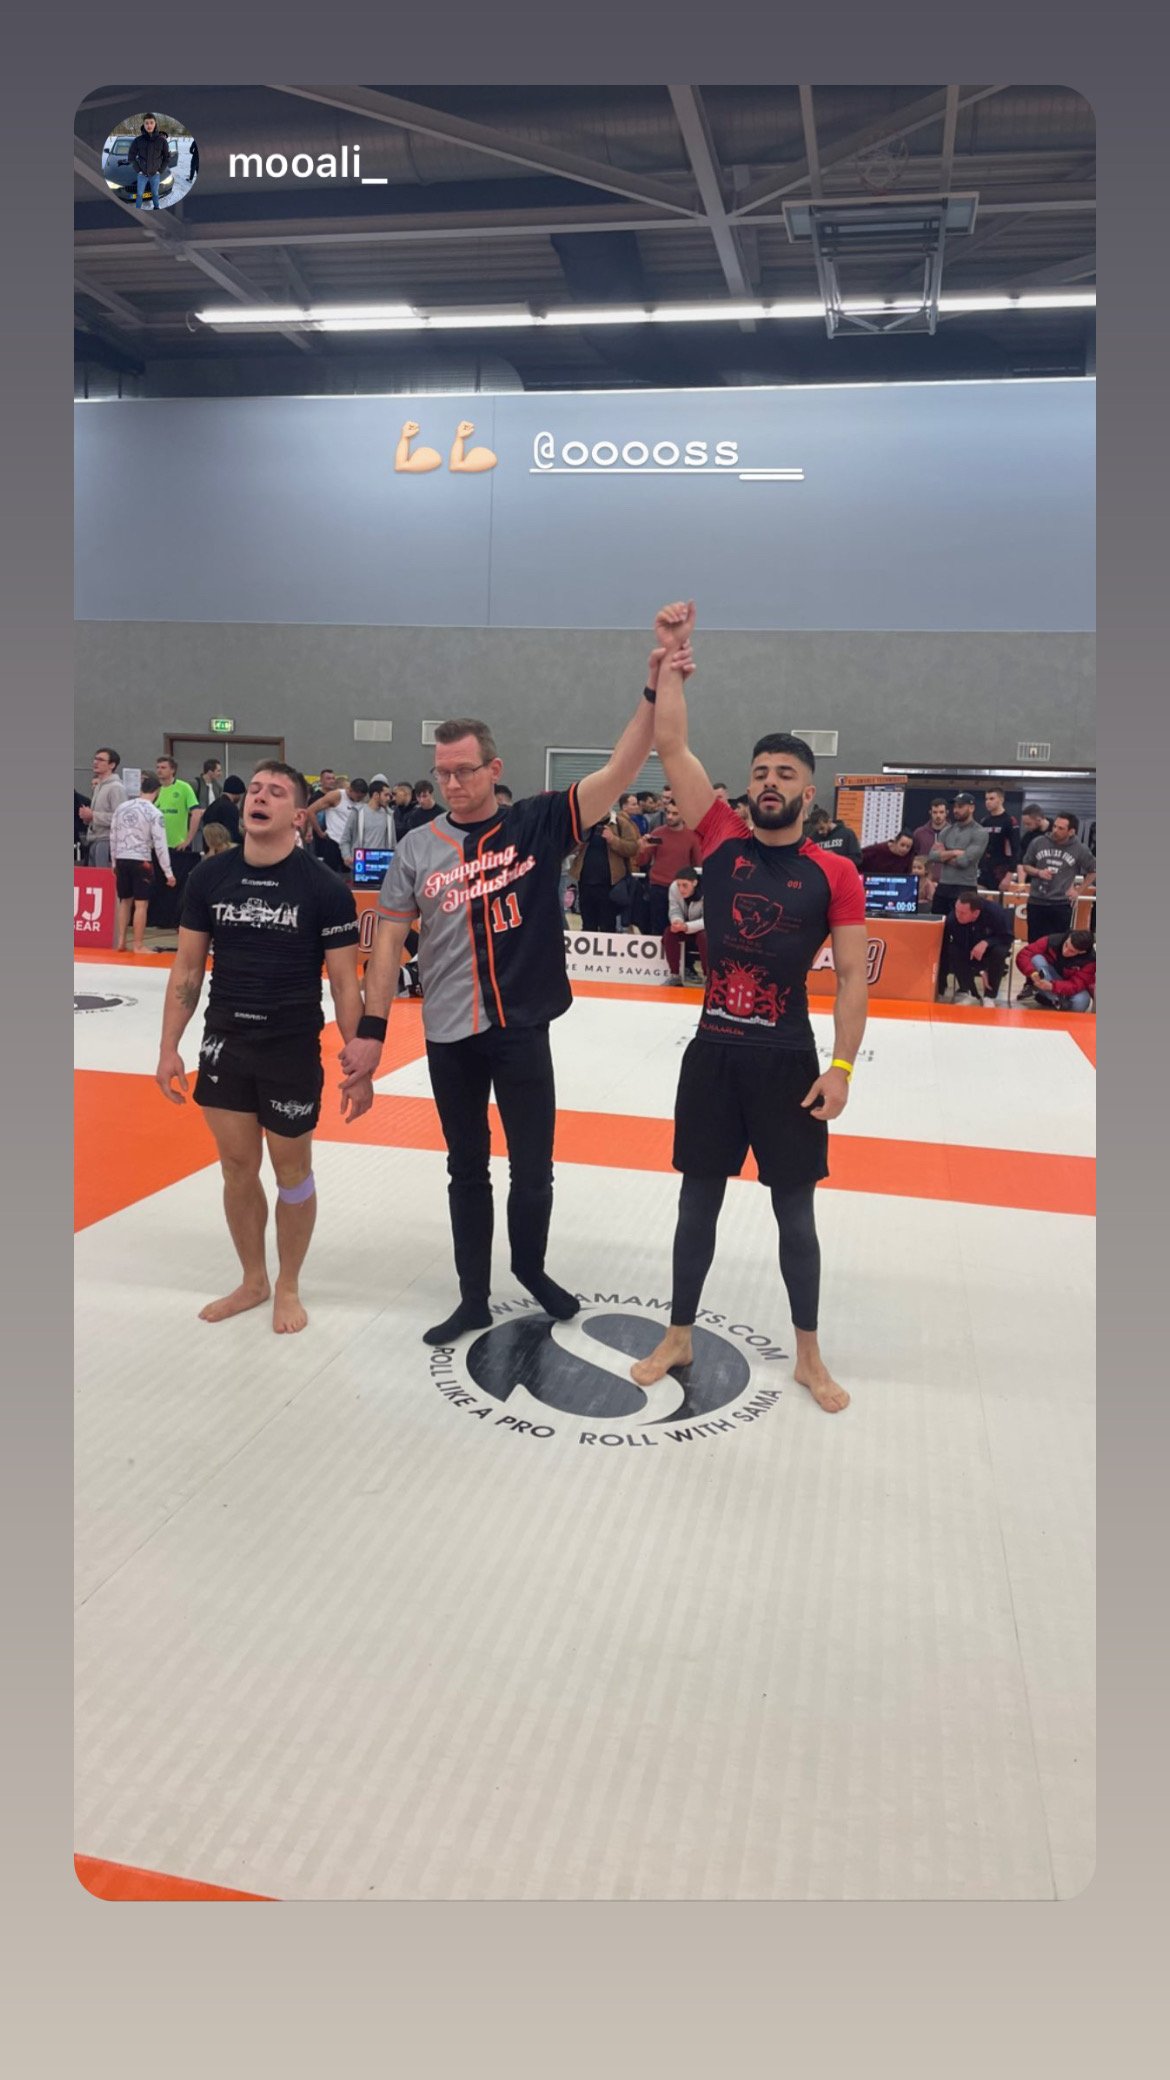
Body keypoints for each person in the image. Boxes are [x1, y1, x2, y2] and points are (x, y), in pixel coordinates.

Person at [338, 611, 685, 1347]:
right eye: (442, 772)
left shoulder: (538, 823)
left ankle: (530, 1266)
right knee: (466, 1167)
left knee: (534, 1168)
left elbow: (623, 768)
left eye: (464, 770)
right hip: (448, 1033)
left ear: (493, 769)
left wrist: (653, 685)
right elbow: (388, 943)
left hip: (521, 1025)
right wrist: (371, 1032)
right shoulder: (416, 848)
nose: (451, 783)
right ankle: (472, 1296)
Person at [628, 603, 868, 1415]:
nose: (770, 782)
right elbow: (671, 745)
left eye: (786, 774)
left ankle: (809, 1354)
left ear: (809, 790)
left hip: (788, 1063)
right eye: (761, 771)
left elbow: (854, 980)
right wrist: (669, 661)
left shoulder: (835, 873)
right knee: (696, 1202)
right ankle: (679, 1332)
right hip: (714, 1056)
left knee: (794, 1214)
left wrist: (841, 1067)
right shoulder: (723, 837)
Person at [155, 761, 369, 1333]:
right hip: (225, 1043)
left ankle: (288, 1284)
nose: (259, 797)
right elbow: (187, 968)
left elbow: (344, 982)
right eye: (254, 789)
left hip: (290, 1047)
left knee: (292, 1171)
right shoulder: (210, 877)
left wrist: (360, 1060)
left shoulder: (324, 888)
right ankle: (253, 1280)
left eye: (275, 792)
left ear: (298, 815)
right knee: (236, 1167)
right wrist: (169, 1046)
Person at [110, 771, 175, 954]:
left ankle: (121, 941)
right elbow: (160, 844)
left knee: (124, 901)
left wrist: (114, 861)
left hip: (122, 858)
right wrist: (168, 872)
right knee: (141, 904)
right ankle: (138, 945)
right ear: (157, 791)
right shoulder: (155, 813)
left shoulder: (122, 808)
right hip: (141, 860)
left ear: (141, 789)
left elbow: (113, 835)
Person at [1018, 812, 1097, 941]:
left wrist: (1078, 891)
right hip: (1037, 901)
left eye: (1061, 828)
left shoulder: (1079, 848)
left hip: (1061, 903)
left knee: (1057, 943)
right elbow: (1026, 865)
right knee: (1034, 942)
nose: (1055, 830)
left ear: (1071, 832)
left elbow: (1093, 870)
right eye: (1054, 826)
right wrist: (1038, 872)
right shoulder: (1038, 842)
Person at [570, 802, 642, 931]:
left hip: (611, 883)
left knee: (608, 924)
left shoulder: (621, 823)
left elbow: (633, 848)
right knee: (587, 923)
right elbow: (570, 847)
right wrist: (580, 841)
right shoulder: (585, 825)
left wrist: (613, 839)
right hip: (585, 882)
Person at [638, 798, 702, 935]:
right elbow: (642, 862)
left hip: (681, 888)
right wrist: (642, 849)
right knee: (658, 927)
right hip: (658, 886)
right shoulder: (657, 833)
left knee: (678, 927)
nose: (669, 816)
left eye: (674, 813)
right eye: (667, 812)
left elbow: (698, 864)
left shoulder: (692, 836)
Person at [940, 891, 1014, 1005]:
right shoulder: (953, 920)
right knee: (954, 950)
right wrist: (981, 970)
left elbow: (1007, 937)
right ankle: (970, 992)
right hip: (969, 947)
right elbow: (962, 945)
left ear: (976, 913)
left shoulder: (995, 912)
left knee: (999, 952)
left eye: (963, 913)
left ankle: (990, 996)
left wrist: (987, 942)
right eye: (956, 910)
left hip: (993, 945)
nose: (958, 915)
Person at [926, 792, 989, 917]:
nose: (956, 810)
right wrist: (954, 852)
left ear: (971, 808)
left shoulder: (979, 832)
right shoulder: (946, 831)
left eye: (960, 807)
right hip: (943, 885)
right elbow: (932, 856)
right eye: (955, 807)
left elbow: (963, 862)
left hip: (965, 887)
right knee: (937, 923)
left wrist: (943, 855)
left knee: (962, 925)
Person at [1016, 929, 1096, 1011]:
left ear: (1082, 952)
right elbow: (1024, 954)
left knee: (1082, 1002)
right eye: (1066, 945)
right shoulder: (1052, 940)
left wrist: (1052, 986)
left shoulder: (1090, 961)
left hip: (1067, 984)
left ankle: (1051, 999)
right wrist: (1032, 972)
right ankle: (1056, 1000)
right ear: (1069, 937)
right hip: (1048, 976)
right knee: (1036, 959)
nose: (1065, 951)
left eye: (1071, 951)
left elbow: (1076, 984)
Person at [78, 747, 125, 865]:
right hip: (94, 840)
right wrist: (87, 817)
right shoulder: (99, 787)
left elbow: (120, 818)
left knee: (103, 875)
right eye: (95, 759)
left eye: (101, 760)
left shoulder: (116, 787)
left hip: (107, 841)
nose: (95, 762)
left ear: (112, 765)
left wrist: (93, 815)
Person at [312, 775, 367, 873]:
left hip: (351, 845)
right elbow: (310, 811)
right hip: (334, 842)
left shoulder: (361, 803)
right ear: (351, 790)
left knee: (350, 876)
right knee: (329, 875)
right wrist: (319, 832)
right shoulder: (336, 796)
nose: (359, 800)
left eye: (362, 797)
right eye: (358, 797)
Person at [664, 866, 707, 984]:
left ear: (694, 883)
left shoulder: (709, 890)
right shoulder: (674, 888)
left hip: (704, 928)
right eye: (679, 885)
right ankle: (675, 975)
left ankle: (708, 977)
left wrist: (687, 927)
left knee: (704, 937)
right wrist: (676, 921)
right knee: (669, 933)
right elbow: (674, 909)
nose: (681, 889)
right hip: (685, 925)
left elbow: (708, 920)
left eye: (685, 885)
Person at [341, 777, 394, 867]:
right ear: (376, 795)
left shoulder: (389, 815)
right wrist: (347, 856)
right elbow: (345, 839)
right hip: (360, 864)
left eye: (390, 795)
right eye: (386, 795)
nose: (389, 798)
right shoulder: (357, 812)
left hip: (381, 865)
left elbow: (393, 843)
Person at [980, 788, 1020, 888]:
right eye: (986, 799)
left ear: (1001, 800)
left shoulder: (1010, 821)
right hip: (985, 870)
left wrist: (1009, 876)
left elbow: (1016, 850)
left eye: (991, 798)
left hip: (1001, 870)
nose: (988, 802)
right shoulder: (984, 821)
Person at [129, 113, 169, 210]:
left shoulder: (162, 141)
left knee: (155, 193)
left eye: (151, 122)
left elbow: (166, 158)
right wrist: (138, 170)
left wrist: (160, 170)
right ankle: (138, 210)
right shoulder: (138, 140)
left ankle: (156, 207)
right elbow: (131, 157)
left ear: (155, 124)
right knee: (139, 194)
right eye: (146, 123)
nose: (149, 125)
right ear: (144, 124)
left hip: (155, 174)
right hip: (142, 174)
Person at [198, 773, 246, 846]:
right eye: (240, 794)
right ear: (237, 793)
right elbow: (233, 834)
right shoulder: (230, 808)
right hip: (224, 848)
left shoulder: (212, 806)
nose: (240, 798)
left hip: (209, 847)